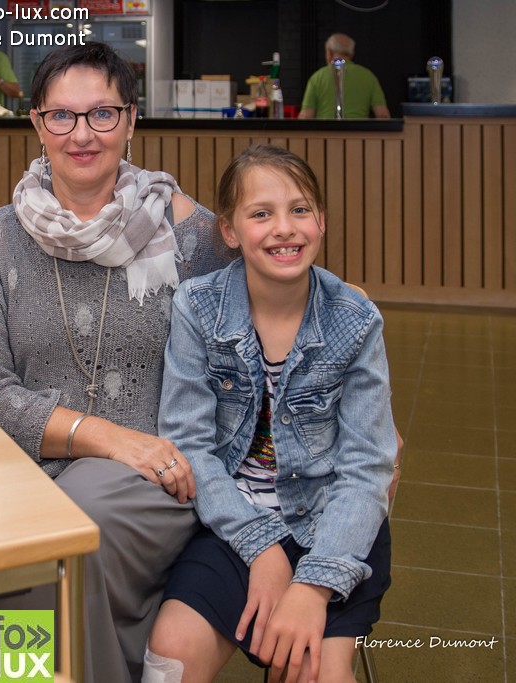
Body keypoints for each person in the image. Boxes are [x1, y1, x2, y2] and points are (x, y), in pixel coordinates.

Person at [0, 41, 233, 683]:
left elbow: (281, 297)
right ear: (37, 124)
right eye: (62, 115)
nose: (82, 134)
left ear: (131, 121)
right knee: (15, 528)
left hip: (155, 471)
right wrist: (100, 436)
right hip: (24, 465)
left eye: (102, 114)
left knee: (73, 524)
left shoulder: (188, 234)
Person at [144, 144, 395, 683]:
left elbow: (367, 468)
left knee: (312, 671)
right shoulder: (198, 306)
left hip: (333, 527)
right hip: (234, 521)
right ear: (230, 230)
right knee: (170, 656)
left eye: (300, 210)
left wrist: (314, 584)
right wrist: (260, 547)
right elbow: (190, 444)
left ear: (321, 220)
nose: (284, 228)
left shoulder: (356, 320)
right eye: (261, 213)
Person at [298, 33, 390, 119]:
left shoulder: (317, 77)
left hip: (325, 130)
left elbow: (306, 116)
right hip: (359, 131)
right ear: (352, 53)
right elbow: (383, 115)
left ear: (329, 52)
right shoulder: (368, 76)